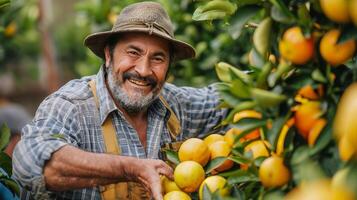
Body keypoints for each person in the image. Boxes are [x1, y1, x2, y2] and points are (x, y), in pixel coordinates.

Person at [13, 1, 228, 200]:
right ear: (108, 55)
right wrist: (129, 168)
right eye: (133, 52)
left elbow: (233, 98)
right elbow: (31, 162)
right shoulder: (72, 106)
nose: (143, 70)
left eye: (158, 58)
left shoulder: (177, 104)